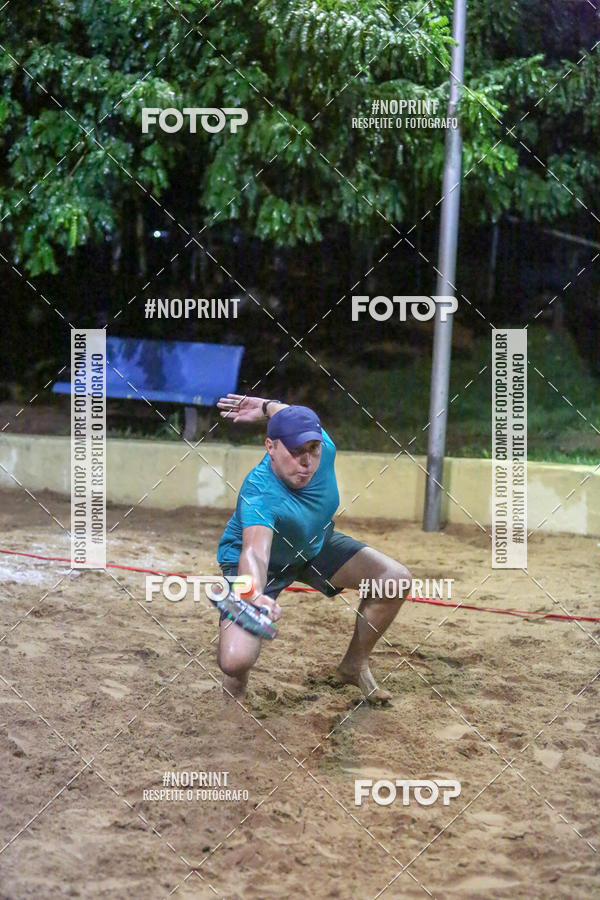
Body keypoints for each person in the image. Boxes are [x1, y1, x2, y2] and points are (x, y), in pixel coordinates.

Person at [215, 394, 412, 705]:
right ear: (270, 447)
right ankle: (232, 701)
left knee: (394, 578)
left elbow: (294, 417)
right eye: (295, 452)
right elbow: (254, 552)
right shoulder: (259, 490)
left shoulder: (323, 446)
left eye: (312, 450)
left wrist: (267, 407)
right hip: (261, 566)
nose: (306, 462)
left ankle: (353, 665)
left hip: (312, 545)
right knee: (235, 660)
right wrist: (253, 595)